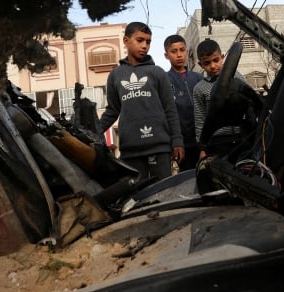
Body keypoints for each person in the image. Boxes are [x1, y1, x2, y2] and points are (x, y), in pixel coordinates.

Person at [99, 22, 184, 179]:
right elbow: (112, 110)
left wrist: (177, 141)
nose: (145, 45)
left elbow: (170, 109)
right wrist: (94, 130)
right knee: (138, 197)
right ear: (126, 41)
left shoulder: (157, 73)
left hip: (160, 147)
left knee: (163, 191)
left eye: (148, 41)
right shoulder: (115, 75)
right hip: (130, 149)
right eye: (140, 40)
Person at [193, 39, 249, 159]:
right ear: (200, 64)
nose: (213, 66)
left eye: (216, 60)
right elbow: (200, 119)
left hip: (242, 137)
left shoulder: (236, 76)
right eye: (207, 63)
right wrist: (203, 148)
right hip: (217, 142)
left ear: (222, 57)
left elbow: (249, 104)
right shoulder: (199, 88)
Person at [163, 34, 202, 171]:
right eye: (174, 51)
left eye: (182, 50)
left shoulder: (198, 77)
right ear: (166, 55)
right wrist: (175, 143)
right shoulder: (164, 80)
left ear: (187, 51)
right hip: (182, 144)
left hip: (202, 141)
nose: (179, 55)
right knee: (189, 179)